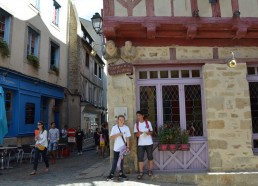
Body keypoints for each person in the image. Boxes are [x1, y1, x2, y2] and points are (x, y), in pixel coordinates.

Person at [106, 115, 131, 181]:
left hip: (123, 148)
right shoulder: (114, 128)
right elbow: (111, 137)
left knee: (121, 161)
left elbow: (127, 138)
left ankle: (121, 174)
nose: (121, 121)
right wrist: (118, 135)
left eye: (122, 119)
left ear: (124, 120)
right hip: (116, 148)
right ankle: (111, 174)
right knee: (115, 161)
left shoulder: (126, 128)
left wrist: (128, 147)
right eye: (120, 119)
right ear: (118, 120)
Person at [134, 110, 154, 179]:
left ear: (142, 116)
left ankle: (150, 170)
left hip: (149, 143)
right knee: (140, 158)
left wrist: (149, 133)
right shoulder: (136, 124)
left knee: (150, 157)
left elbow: (151, 131)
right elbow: (136, 135)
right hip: (141, 144)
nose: (138, 117)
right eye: (137, 116)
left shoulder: (148, 123)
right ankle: (141, 172)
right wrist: (139, 133)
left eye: (139, 115)